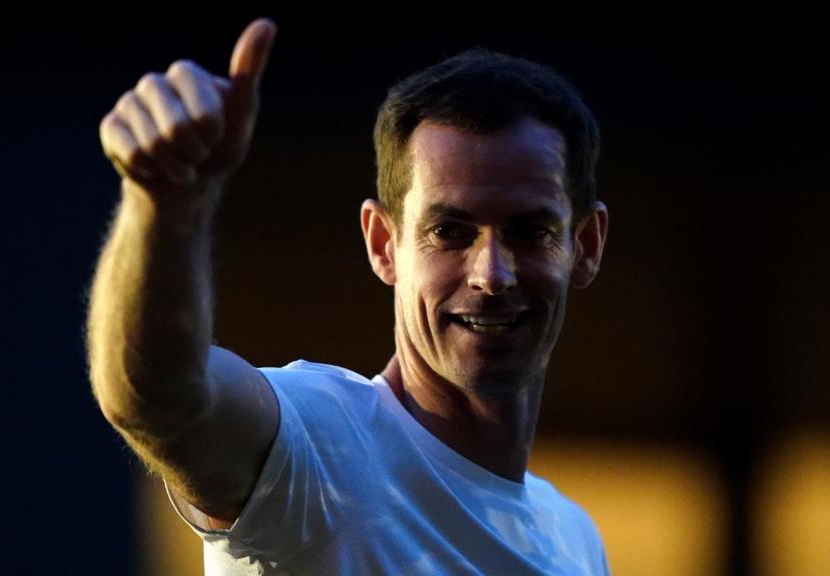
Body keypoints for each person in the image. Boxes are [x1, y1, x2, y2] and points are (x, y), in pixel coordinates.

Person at [88, 17, 611, 575]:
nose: (491, 274)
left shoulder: (576, 539)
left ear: (585, 246)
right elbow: (162, 397)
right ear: (383, 244)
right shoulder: (321, 446)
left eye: (530, 232)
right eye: (449, 232)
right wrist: (163, 203)